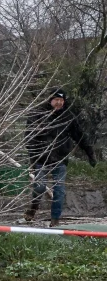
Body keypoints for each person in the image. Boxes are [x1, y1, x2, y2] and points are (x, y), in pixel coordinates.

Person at [26, 89, 97, 226]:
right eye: (56, 100)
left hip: (60, 158)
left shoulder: (68, 117)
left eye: (61, 101)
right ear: (50, 100)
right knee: (40, 187)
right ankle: (33, 207)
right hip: (41, 158)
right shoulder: (38, 114)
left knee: (59, 191)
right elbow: (29, 137)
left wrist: (90, 153)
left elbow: (80, 136)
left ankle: (55, 221)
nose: (59, 103)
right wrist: (33, 155)